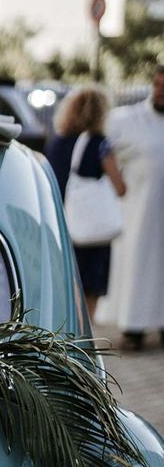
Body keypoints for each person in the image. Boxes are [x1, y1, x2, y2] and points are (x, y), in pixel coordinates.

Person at [96, 66, 164, 350]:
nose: (161, 90)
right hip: (141, 209)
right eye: (158, 84)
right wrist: (117, 184)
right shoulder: (128, 119)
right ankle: (133, 327)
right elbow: (101, 148)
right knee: (140, 264)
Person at [46, 87, 126, 322]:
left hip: (61, 223)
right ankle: (85, 339)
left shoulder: (57, 142)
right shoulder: (100, 144)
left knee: (68, 284)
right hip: (91, 229)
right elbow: (121, 187)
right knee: (90, 286)